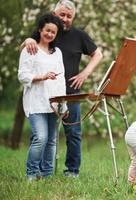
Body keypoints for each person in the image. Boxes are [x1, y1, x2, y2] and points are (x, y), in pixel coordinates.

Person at [22, 0, 103, 177]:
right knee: (40, 136)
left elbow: (98, 54)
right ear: (54, 13)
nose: (65, 19)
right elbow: (27, 48)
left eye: (69, 16)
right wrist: (28, 39)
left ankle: (72, 171)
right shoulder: (48, 31)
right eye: (62, 15)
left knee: (73, 133)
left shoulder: (79, 35)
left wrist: (85, 73)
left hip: (70, 93)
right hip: (43, 93)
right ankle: (37, 173)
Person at [18, 14, 66, 181]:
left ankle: (47, 175)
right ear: (40, 29)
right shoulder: (30, 49)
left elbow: (61, 79)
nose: (50, 34)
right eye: (47, 30)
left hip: (53, 103)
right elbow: (22, 76)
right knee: (41, 138)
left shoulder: (57, 53)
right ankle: (31, 173)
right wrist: (42, 77)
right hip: (35, 103)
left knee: (52, 141)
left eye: (53, 32)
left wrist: (63, 104)